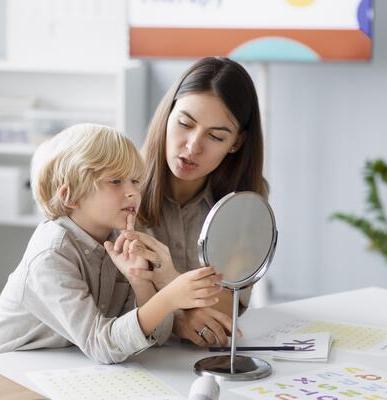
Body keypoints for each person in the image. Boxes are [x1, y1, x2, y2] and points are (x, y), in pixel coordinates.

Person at [0, 124, 223, 364]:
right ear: (70, 196)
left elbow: (156, 336)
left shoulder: (120, 239)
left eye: (136, 181)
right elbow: (101, 344)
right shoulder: (50, 255)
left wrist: (141, 282)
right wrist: (168, 297)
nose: (132, 193)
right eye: (115, 181)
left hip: (61, 364)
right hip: (12, 370)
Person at [128, 57, 268, 347]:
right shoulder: (120, 185)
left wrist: (168, 285)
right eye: (184, 123)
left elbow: (226, 310)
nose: (192, 147)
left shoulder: (246, 203)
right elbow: (107, 306)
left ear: (236, 144)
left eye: (216, 136)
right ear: (167, 115)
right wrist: (178, 321)